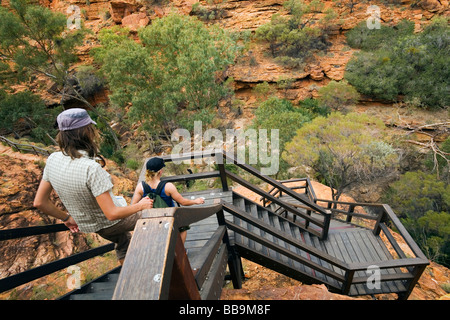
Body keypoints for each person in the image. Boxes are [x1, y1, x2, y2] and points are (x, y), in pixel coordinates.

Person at [33, 108, 153, 264]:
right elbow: (112, 214)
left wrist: (67, 217)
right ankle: (173, 265)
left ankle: (129, 278)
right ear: (86, 132)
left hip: (91, 225)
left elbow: (39, 202)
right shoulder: (90, 168)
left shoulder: (53, 159)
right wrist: (141, 206)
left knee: (123, 242)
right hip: (111, 222)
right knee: (162, 214)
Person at [131, 157, 205, 242]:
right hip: (168, 217)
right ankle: (180, 253)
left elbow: (134, 207)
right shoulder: (168, 186)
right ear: (160, 172)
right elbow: (183, 202)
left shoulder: (141, 187)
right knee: (183, 227)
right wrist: (196, 201)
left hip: (149, 219)